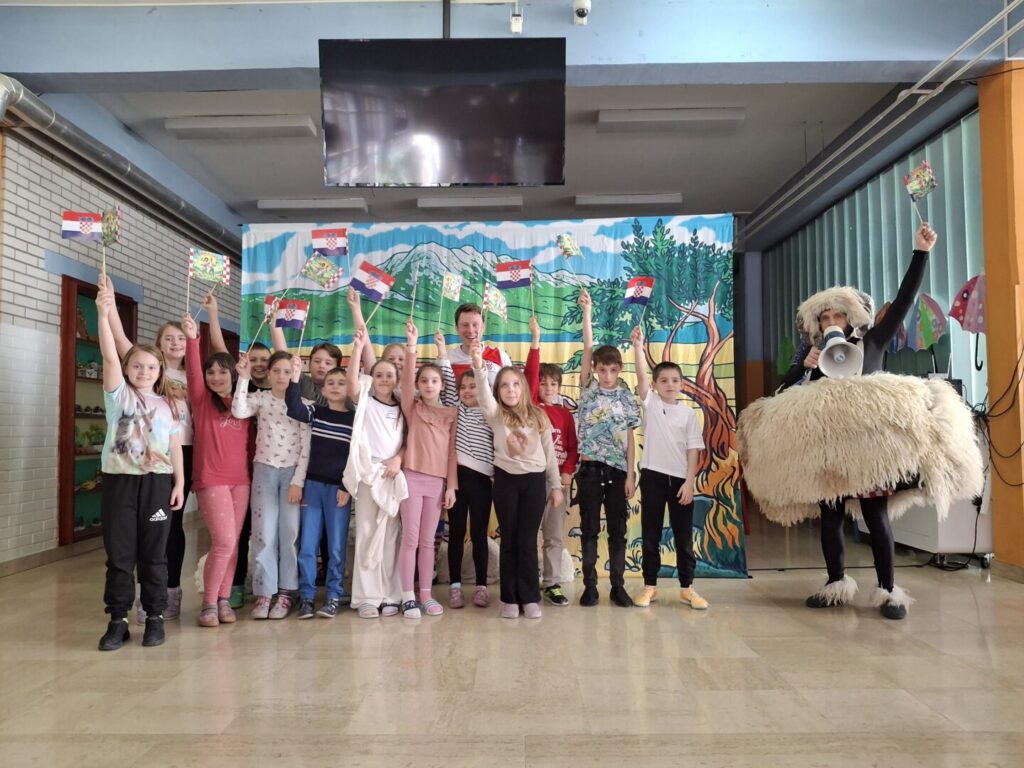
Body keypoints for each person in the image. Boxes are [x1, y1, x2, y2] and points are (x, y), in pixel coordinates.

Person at [776, 221, 939, 620]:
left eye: (838, 314)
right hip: (830, 448)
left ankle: (889, 591)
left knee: (875, 516)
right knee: (830, 517)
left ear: (851, 317)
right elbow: (780, 392)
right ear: (818, 323)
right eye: (825, 316)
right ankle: (835, 584)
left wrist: (920, 252)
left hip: (868, 448)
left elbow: (903, 301)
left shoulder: (873, 341)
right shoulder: (811, 354)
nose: (832, 320)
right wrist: (803, 368)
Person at [94, 276, 184, 651]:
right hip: (120, 481)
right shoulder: (119, 396)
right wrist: (104, 314)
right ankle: (117, 621)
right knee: (120, 555)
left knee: (154, 555)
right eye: (137, 366)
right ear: (128, 369)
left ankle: (155, 618)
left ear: (160, 372)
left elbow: (175, 444)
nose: (144, 372)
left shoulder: (168, 404)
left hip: (157, 483)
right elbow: (109, 354)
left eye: (151, 367)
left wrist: (180, 483)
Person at [107, 299, 195, 623]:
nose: (175, 343)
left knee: (167, 530)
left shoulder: (191, 375)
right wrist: (108, 307)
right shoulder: (140, 374)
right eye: (168, 338)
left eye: (181, 338)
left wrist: (180, 480)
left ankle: (166, 596)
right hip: (134, 463)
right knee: (131, 538)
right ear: (158, 344)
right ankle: (133, 604)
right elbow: (117, 345)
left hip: (177, 457)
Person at [472, 343, 562, 619]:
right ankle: (510, 598)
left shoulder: (538, 416)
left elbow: (549, 454)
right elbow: (483, 395)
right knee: (510, 539)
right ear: (498, 391)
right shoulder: (496, 415)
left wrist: (556, 485)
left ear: (523, 387)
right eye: (504, 386)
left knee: (527, 540)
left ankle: (530, 596)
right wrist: (478, 365)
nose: (510, 390)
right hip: (506, 483)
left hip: (534, 482)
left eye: (515, 384)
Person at [630, 326, 707, 610]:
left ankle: (687, 588)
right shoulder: (651, 405)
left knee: (683, 537)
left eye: (675, 380)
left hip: (681, 481)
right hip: (652, 477)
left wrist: (689, 482)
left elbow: (693, 450)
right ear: (655, 385)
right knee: (650, 535)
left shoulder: (688, 414)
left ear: (682, 384)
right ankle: (650, 586)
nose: (670, 384)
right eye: (663, 380)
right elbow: (641, 376)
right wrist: (638, 346)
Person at [181, 314, 250, 627]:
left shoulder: (243, 402)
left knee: (232, 545)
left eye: (223, 371)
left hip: (241, 482)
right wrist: (192, 339)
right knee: (223, 542)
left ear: (233, 375)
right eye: (211, 372)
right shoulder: (201, 400)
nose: (216, 377)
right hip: (211, 480)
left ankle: (224, 600)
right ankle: (208, 603)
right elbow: (193, 372)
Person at [231, 351, 310, 619]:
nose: (281, 376)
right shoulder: (261, 399)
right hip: (264, 471)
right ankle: (265, 592)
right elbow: (239, 410)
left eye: (287, 372)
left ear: (295, 374)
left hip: (292, 476)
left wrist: (298, 481)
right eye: (276, 371)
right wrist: (243, 379)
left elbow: (306, 447)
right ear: (268, 373)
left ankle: (286, 592)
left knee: (290, 534)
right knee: (263, 533)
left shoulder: (303, 406)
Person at [575, 288, 641, 608]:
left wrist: (630, 474)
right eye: (602, 369)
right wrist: (587, 312)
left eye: (613, 370)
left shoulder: (626, 396)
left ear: (619, 370)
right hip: (589, 469)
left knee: (617, 531)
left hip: (617, 471)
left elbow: (629, 437)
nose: (607, 375)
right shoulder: (588, 389)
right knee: (589, 530)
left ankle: (617, 586)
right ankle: (589, 586)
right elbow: (588, 347)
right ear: (595, 369)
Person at [344, 328, 407, 619]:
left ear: (397, 379)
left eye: (389, 375)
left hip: (392, 475)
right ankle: (367, 597)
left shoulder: (402, 407)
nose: (384, 379)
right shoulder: (365, 403)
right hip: (369, 475)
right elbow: (352, 385)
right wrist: (357, 349)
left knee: (391, 536)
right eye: (379, 374)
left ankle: (391, 595)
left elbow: (407, 440)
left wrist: (398, 459)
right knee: (367, 532)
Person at [285, 356, 354, 619]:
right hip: (312, 487)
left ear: (349, 388)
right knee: (307, 545)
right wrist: (294, 378)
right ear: (323, 390)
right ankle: (307, 596)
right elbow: (294, 409)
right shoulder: (316, 411)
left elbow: (354, 459)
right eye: (330, 383)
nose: (335, 386)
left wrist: (345, 485)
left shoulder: (354, 420)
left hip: (339, 490)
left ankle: (334, 595)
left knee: (336, 546)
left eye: (341, 382)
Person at [397, 320, 458, 618]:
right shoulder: (413, 407)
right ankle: (407, 595)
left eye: (434, 381)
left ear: (442, 385)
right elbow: (406, 382)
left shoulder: (451, 414)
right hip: (411, 478)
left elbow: (451, 454)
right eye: (424, 381)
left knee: (427, 541)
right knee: (410, 539)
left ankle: (425, 594)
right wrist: (412, 347)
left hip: (437, 483)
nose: (429, 385)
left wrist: (451, 487)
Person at [438, 330, 495, 608]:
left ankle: (482, 586)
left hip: (483, 481)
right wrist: (441, 351)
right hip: (458, 480)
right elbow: (448, 380)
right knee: (457, 534)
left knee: (480, 534)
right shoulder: (455, 408)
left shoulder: (489, 410)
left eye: (473, 387)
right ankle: (455, 586)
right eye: (464, 388)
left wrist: (477, 362)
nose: (468, 391)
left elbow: (483, 381)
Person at [523, 316, 578, 607]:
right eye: (542, 383)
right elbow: (530, 375)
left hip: (558, 483)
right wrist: (536, 341)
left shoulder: (565, 414)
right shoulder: (531, 407)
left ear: (559, 387)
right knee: (529, 533)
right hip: (532, 479)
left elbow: (572, 448)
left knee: (554, 535)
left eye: (553, 383)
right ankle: (528, 579)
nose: (547, 386)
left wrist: (567, 474)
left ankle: (552, 583)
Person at [446, 302, 512, 385]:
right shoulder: (447, 359)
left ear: (483, 327)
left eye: (475, 325)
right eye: (465, 325)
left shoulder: (500, 356)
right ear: (457, 328)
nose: (470, 330)